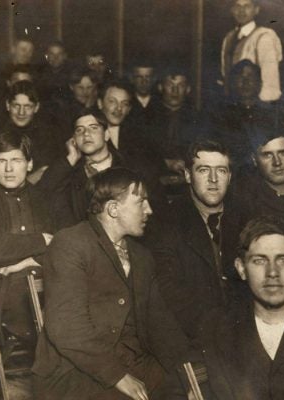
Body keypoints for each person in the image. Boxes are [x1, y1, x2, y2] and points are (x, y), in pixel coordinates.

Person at [32, 167, 189, 400]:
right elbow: (67, 330)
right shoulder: (70, 244)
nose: (149, 210)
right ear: (113, 209)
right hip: (75, 371)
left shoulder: (141, 256)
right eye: (141, 202)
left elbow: (160, 322)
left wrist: (184, 367)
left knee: (187, 389)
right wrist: (118, 377)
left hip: (132, 361)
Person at [168, 216, 284, 399]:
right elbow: (175, 389)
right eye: (260, 261)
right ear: (241, 268)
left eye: (283, 260)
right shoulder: (216, 329)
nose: (273, 272)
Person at [0, 132, 54, 349]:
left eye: (16, 161)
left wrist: (24, 262)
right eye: (1, 161)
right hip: (0, 289)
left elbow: (62, 241)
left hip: (43, 278)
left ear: (30, 164)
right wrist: (41, 240)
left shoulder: (44, 197)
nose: (8, 169)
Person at [150, 140, 244, 339]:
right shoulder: (165, 223)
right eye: (203, 170)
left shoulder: (246, 219)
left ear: (230, 177)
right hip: (194, 337)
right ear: (187, 175)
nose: (213, 179)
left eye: (221, 171)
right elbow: (170, 293)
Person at [234, 122, 284, 290]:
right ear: (255, 160)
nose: (277, 162)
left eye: (283, 153)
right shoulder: (246, 204)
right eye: (267, 155)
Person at [221, 0, 282, 102]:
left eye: (247, 6)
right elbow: (226, 76)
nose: (241, 11)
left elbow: (270, 82)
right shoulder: (228, 38)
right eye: (237, 6)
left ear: (256, 10)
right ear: (232, 10)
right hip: (233, 106)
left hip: (256, 106)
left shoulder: (264, 36)